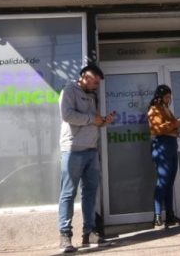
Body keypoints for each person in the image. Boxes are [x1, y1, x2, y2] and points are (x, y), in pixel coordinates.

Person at [58, 64, 117, 253]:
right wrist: (93, 119)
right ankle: (65, 236)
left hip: (91, 150)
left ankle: (89, 233)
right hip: (73, 150)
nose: (96, 85)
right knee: (68, 193)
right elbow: (67, 115)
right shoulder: (69, 91)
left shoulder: (92, 95)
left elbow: (92, 120)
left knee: (90, 193)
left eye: (97, 82)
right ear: (83, 77)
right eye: (93, 81)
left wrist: (103, 121)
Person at [147, 84, 180, 229]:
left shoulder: (166, 109)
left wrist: (176, 127)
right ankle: (157, 216)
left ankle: (170, 216)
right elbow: (157, 129)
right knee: (162, 181)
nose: (169, 99)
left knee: (169, 182)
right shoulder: (154, 109)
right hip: (162, 146)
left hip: (171, 145)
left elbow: (169, 126)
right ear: (160, 96)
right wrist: (175, 124)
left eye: (170, 97)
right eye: (167, 97)